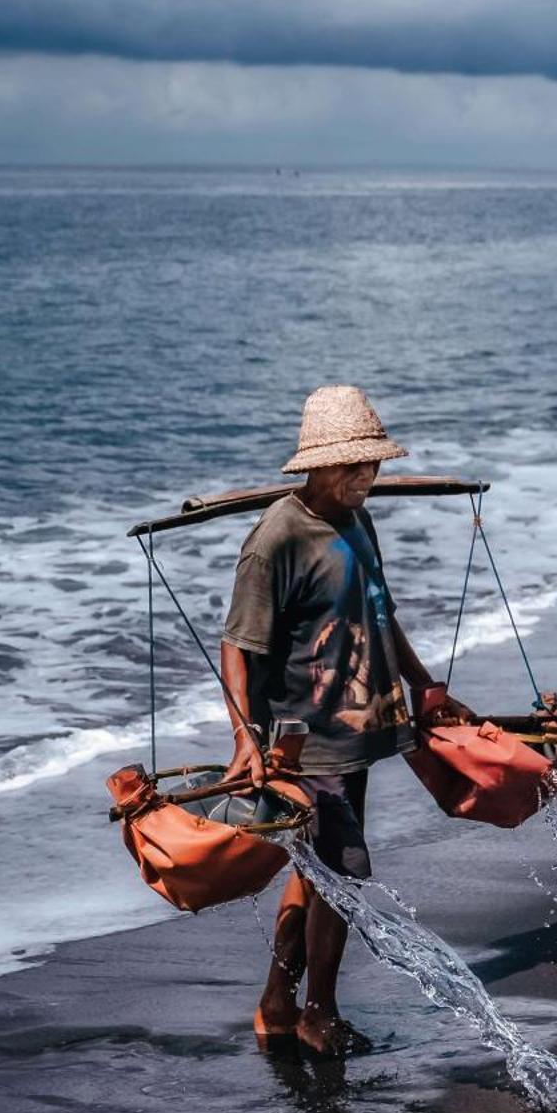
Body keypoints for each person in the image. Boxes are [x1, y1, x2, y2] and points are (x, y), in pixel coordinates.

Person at [220, 385, 471, 1056]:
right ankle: (318, 1014)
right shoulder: (275, 539)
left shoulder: (359, 521)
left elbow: (381, 612)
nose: (371, 476)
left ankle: (278, 1002)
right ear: (323, 465)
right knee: (342, 869)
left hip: (359, 726)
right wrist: (246, 738)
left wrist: (425, 685)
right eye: (358, 466)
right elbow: (237, 648)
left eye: (375, 464)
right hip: (307, 740)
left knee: (318, 872)